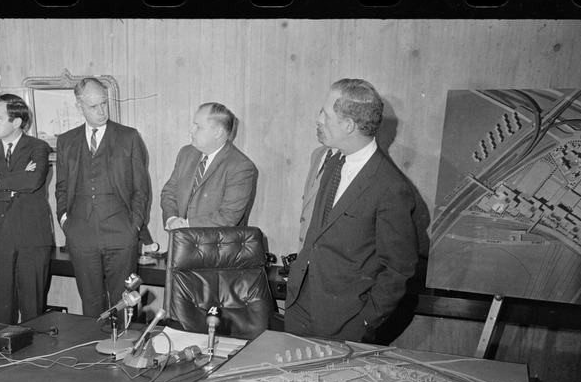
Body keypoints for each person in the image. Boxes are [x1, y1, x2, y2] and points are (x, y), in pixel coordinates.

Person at [285, 78, 419, 342]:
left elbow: (399, 268)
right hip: (300, 305)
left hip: (345, 321)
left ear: (348, 125)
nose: (319, 118)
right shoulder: (333, 162)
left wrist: (366, 320)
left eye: (325, 113)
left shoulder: (390, 186)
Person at [55, 77, 151, 317]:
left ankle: (123, 353)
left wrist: (134, 226)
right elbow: (62, 187)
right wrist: (65, 222)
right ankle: (93, 352)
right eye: (93, 106)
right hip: (81, 233)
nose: (101, 111)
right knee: (91, 308)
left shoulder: (129, 137)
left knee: (124, 304)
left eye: (104, 104)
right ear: (79, 106)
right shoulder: (66, 141)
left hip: (121, 231)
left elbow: (141, 188)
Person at [0, 94, 54, 325]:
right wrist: (14, 185)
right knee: (0, 311)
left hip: (32, 237)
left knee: (33, 310)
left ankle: (33, 359)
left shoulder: (39, 147)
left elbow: (33, 180)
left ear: (16, 122)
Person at [160, 102, 257, 230]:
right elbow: (169, 192)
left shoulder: (241, 167)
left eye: (198, 127)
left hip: (217, 246)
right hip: (181, 243)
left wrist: (186, 225)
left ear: (217, 133)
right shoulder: (186, 153)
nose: (191, 131)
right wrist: (172, 220)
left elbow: (228, 217)